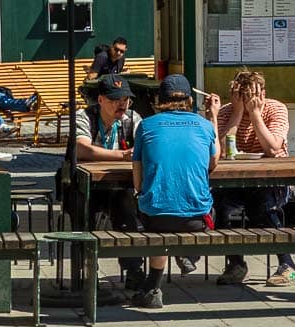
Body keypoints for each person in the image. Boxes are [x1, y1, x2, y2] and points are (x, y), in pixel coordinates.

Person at [129, 74, 220, 309]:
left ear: (159, 99)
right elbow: (213, 163)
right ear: (189, 100)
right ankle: (188, 254)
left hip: (155, 217)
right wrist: (214, 117)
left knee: (157, 213)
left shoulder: (146, 126)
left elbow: (138, 184)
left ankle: (152, 288)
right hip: (195, 220)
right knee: (211, 207)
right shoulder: (204, 126)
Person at [206, 70, 295, 287]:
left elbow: (273, 147)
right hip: (235, 182)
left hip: (274, 182)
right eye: (242, 95)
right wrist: (237, 113)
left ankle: (288, 266)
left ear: (263, 93)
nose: (249, 100)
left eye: (254, 95)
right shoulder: (227, 112)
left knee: (261, 204)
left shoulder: (276, 108)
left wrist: (255, 114)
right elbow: (219, 151)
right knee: (217, 202)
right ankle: (235, 263)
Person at [73, 73, 145, 289]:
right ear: (101, 99)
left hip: (120, 186)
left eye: (125, 99)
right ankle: (87, 271)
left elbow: (144, 145)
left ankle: (134, 270)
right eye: (115, 99)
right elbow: (82, 149)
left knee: (127, 213)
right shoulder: (84, 116)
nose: (122, 104)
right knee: (87, 216)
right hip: (86, 187)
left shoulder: (132, 118)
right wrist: (122, 156)